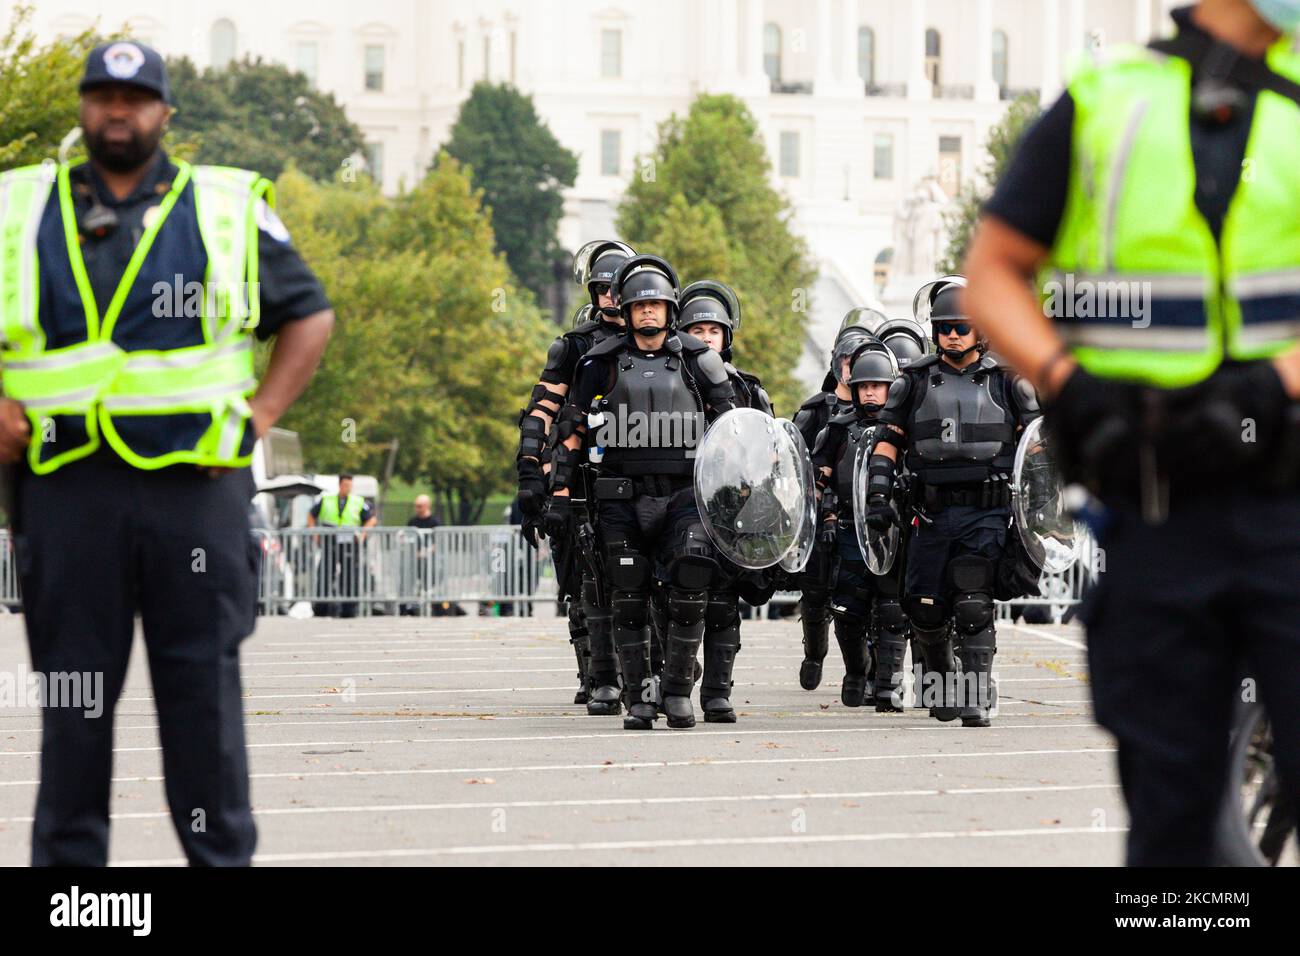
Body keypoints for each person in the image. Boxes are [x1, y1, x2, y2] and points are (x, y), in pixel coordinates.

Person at [961, 0, 1300, 863]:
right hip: (1154, 511)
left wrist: (1271, 386)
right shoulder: (1107, 100)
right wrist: (1069, 386)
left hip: (1290, 502)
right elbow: (993, 271)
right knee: (1172, 820)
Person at [0, 41, 333, 865]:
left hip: (197, 488)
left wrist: (258, 417)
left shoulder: (224, 205)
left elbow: (308, 313)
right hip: (64, 486)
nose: (119, 111)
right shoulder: (18, 206)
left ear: (164, 113)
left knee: (202, 703)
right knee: (73, 708)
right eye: (103, 96)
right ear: (83, 107)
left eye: (136, 97)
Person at [546, 255, 736, 730]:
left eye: (656, 304)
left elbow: (730, 428)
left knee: (691, 583)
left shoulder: (699, 360)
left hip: (684, 495)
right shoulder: (599, 362)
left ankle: (676, 693)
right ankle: (640, 699)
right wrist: (559, 492)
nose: (648, 312)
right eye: (640, 305)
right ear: (626, 310)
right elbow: (572, 429)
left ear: (670, 308)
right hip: (620, 497)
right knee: (627, 596)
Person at [865, 277, 1040, 728]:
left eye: (962, 326)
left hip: (986, 511)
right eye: (945, 327)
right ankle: (942, 684)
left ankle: (976, 696)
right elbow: (888, 441)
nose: (953, 335)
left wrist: (1041, 507)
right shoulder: (914, 381)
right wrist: (878, 497)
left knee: (973, 601)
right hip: (928, 512)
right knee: (925, 607)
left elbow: (1037, 447)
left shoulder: (1009, 382)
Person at [516, 241, 634, 711]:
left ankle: (648, 672)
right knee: (587, 579)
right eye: (601, 289)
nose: (610, 298)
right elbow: (542, 410)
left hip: (643, 473)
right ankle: (600, 673)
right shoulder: (575, 346)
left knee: (644, 581)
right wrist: (532, 474)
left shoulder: (666, 343)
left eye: (616, 288)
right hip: (580, 474)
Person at [675, 279, 773, 722]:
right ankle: (676, 676)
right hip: (680, 502)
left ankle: (717, 692)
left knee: (723, 603)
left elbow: (768, 452)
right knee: (680, 596)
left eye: (713, 331)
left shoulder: (748, 389)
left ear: (726, 337)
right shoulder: (671, 380)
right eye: (696, 329)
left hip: (731, 507)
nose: (705, 338)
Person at [790, 320, 885, 691]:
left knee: (866, 599)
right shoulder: (815, 411)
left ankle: (872, 671)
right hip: (819, 522)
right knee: (815, 594)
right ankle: (815, 653)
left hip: (859, 521)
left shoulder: (887, 416)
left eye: (857, 360)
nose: (850, 366)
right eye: (845, 359)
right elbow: (799, 466)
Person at [811, 345, 902, 708]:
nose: (870, 393)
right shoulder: (837, 429)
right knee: (848, 609)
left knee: (892, 609)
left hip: (892, 529)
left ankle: (889, 684)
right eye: (864, 385)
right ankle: (856, 671)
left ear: (890, 387)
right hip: (848, 526)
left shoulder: (902, 428)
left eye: (878, 386)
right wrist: (826, 516)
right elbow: (818, 480)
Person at [308, 474, 376, 618]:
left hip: (349, 543)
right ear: (340, 485)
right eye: (346, 485)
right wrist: (314, 534)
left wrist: (363, 535)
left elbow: (371, 519)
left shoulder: (358, 501)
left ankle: (349, 609)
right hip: (329, 540)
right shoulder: (327, 499)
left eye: (350, 486)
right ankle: (321, 608)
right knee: (325, 574)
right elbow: (311, 515)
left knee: (350, 576)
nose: (348, 488)